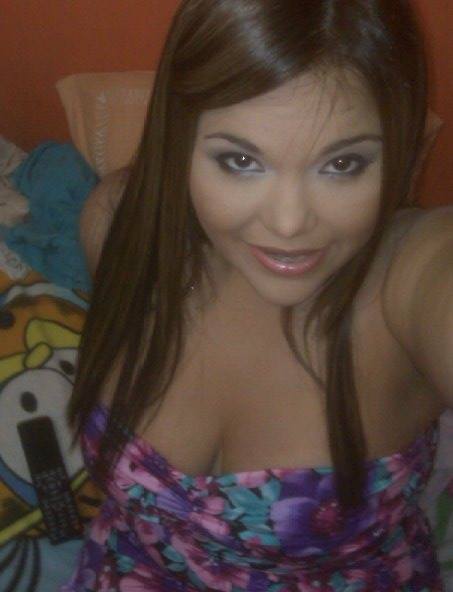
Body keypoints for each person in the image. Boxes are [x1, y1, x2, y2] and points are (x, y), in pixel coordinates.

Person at [62, 0, 453, 589]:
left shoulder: (412, 273)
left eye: (343, 164)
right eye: (240, 160)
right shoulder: (124, 229)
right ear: (180, 140)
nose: (289, 223)